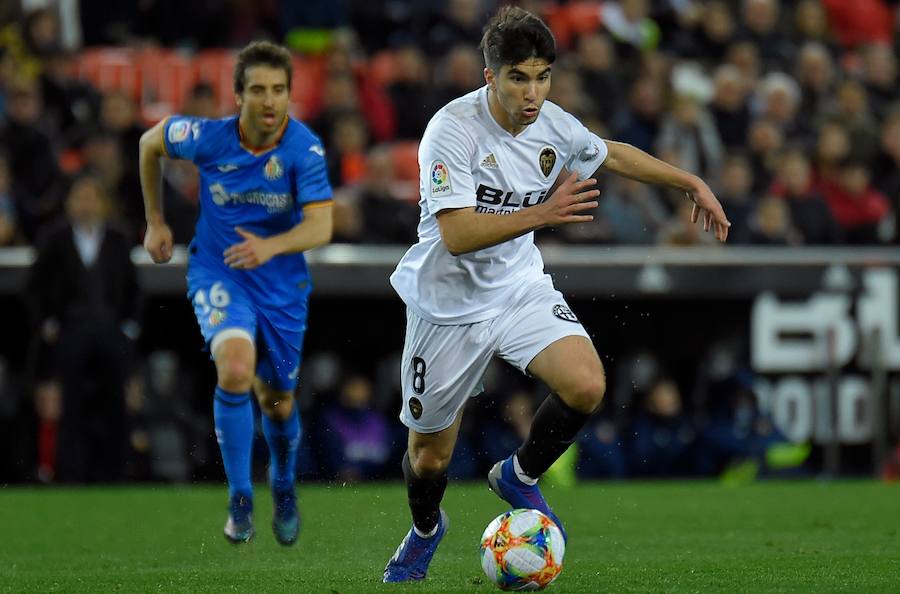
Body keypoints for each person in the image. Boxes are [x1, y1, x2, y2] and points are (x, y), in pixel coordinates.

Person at [382, 7, 729, 583]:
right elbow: (458, 233)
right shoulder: (451, 130)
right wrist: (542, 213)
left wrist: (688, 181)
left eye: (543, 76)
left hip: (518, 288)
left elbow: (611, 152)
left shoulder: (553, 124)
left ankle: (518, 476)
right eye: (519, 77)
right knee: (429, 457)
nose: (532, 92)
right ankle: (424, 530)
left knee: (587, 383)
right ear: (490, 76)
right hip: (447, 304)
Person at [138, 41, 333, 546]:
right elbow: (148, 144)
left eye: (279, 90)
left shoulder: (303, 147)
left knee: (278, 404)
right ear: (238, 96)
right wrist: (155, 221)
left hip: (280, 286)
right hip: (219, 273)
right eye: (258, 90)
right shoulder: (206, 136)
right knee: (236, 370)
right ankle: (240, 495)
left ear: (290, 94)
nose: (270, 101)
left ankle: (284, 484)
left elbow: (321, 226)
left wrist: (271, 246)